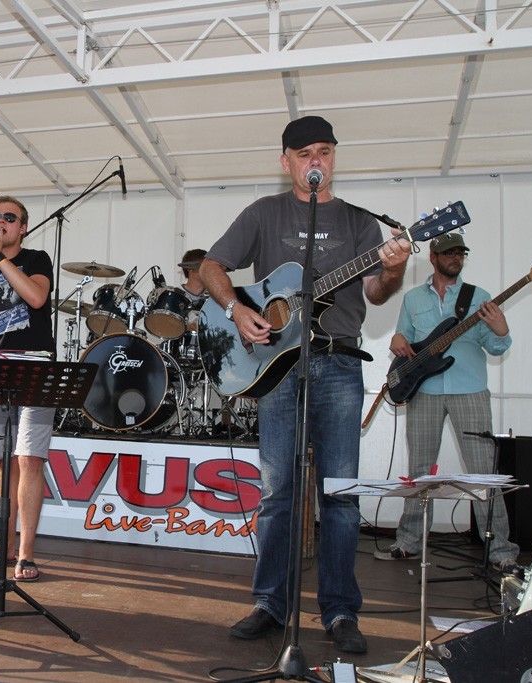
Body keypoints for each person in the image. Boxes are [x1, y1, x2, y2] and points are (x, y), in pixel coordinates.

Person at [199, 115, 412, 654]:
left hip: (338, 364)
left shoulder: (360, 221)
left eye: (324, 151)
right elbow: (211, 266)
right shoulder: (264, 213)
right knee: (277, 494)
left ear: (333, 157)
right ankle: (271, 603)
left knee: (340, 496)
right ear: (286, 161)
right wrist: (237, 309)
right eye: (304, 153)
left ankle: (340, 611)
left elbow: (377, 293)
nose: (316, 160)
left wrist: (394, 267)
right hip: (277, 369)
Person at [375, 233, 519, 570]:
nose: (456, 258)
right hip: (424, 391)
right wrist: (397, 339)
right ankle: (408, 542)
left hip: (470, 390)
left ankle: (501, 551)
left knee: (483, 472)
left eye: (460, 253)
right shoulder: (412, 298)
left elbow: (496, 347)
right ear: (433, 256)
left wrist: (501, 330)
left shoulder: (479, 297)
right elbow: (406, 341)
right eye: (449, 252)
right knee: (419, 472)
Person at [0, 195, 55, 583]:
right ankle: (4, 543)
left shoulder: (37, 259)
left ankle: (26, 552)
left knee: (30, 459)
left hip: (35, 365)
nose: (1, 221)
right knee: (4, 461)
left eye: (10, 217)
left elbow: (36, 297)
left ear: (23, 227)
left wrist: (1, 259)